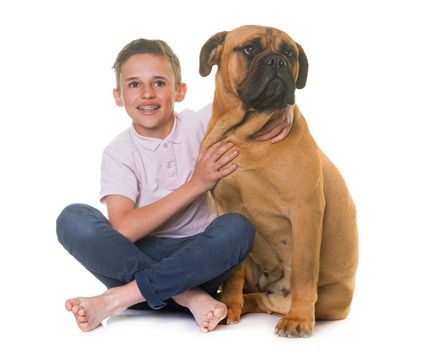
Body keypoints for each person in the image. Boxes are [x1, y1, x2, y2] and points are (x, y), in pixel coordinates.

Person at [56, 38, 290, 333]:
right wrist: (197, 184)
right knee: (73, 219)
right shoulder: (118, 153)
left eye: (159, 83)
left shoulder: (201, 123)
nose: (147, 94)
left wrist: (286, 110)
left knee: (238, 228)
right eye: (133, 85)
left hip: (199, 263)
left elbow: (260, 95)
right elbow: (124, 229)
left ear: (180, 91)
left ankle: (120, 299)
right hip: (134, 264)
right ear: (118, 96)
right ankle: (187, 297)